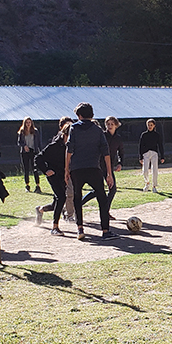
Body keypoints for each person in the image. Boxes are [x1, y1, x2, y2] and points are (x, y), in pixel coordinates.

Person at [66, 103, 117, 241]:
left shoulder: (74, 128)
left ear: (79, 116)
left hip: (77, 168)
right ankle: (105, 230)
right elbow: (105, 152)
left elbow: (69, 150)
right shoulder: (98, 130)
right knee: (102, 198)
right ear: (92, 115)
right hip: (94, 168)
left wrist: (67, 169)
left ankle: (80, 229)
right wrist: (109, 173)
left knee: (77, 197)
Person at [81, 116, 124, 220]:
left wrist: (120, 163)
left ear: (116, 125)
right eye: (107, 124)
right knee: (97, 190)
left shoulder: (118, 139)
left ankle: (105, 211)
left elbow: (121, 152)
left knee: (112, 189)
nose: (109, 126)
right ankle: (76, 205)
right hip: (98, 166)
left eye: (112, 124)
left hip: (109, 168)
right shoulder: (102, 135)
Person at [35, 119, 72, 235]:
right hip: (53, 175)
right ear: (65, 134)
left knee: (57, 202)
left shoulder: (72, 147)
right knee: (61, 197)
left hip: (63, 175)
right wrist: (46, 170)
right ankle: (55, 227)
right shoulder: (54, 146)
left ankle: (40, 209)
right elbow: (38, 158)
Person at [138, 118, 165, 193]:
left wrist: (162, 156)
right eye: (148, 125)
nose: (149, 126)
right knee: (145, 170)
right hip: (146, 154)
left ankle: (154, 186)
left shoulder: (157, 135)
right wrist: (140, 157)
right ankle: (147, 183)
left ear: (154, 126)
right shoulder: (144, 135)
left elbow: (160, 145)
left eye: (151, 125)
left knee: (155, 170)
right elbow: (140, 146)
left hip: (154, 153)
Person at [17, 117, 43, 193]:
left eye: (29, 122)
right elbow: (19, 142)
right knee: (26, 169)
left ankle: (38, 186)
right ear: (24, 123)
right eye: (27, 122)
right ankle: (27, 185)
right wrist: (24, 146)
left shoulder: (35, 131)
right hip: (25, 152)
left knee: (35, 169)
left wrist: (40, 152)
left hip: (33, 151)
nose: (28, 124)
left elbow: (38, 142)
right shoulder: (21, 132)